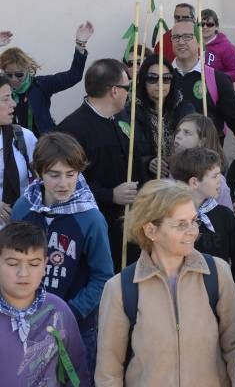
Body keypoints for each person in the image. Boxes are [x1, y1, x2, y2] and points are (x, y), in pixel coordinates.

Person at [95, 179, 235, 387]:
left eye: (194, 221)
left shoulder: (218, 273)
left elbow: (234, 348)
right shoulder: (119, 289)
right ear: (151, 230)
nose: (193, 232)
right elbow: (108, 373)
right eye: (181, 224)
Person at [11, 132, 113, 387]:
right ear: (38, 172)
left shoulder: (90, 219)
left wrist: (69, 313)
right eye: (54, 174)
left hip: (75, 326)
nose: (64, 183)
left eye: (71, 174)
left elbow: (103, 277)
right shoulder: (23, 209)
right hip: (26, 324)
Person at [0, 221, 90, 387]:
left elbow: (76, 377)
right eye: (12, 263)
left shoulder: (59, 313)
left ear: (45, 265)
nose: (23, 273)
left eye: (34, 263)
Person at [58, 59, 142, 272]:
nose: (128, 93)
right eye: (127, 87)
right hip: (95, 228)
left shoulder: (122, 116)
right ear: (114, 91)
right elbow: (64, 183)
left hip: (130, 222)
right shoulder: (71, 130)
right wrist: (110, 194)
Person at [169, 147, 235, 299]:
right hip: (179, 297)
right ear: (194, 182)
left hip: (217, 296)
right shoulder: (170, 217)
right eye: (215, 176)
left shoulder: (224, 216)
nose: (221, 180)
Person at [0, 22, 93, 136]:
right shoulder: (2, 88)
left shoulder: (40, 85)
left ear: (27, 70)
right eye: (9, 75)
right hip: (13, 145)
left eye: (19, 74)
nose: (14, 79)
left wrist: (80, 44)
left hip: (43, 144)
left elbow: (73, 76)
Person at [169, 20, 235, 144]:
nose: (180, 42)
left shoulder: (218, 79)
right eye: (176, 37)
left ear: (199, 41)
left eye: (187, 36)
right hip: (171, 158)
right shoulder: (163, 78)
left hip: (208, 159)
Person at [129, 54, 195, 181]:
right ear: (143, 81)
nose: (160, 84)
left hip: (181, 180)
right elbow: (125, 154)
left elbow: (196, 144)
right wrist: (148, 162)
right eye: (152, 78)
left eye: (166, 78)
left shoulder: (184, 108)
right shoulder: (131, 112)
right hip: (147, 185)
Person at [172, 114, 233, 210]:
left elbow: (227, 219)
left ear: (202, 141)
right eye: (178, 131)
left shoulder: (217, 181)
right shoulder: (172, 172)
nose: (178, 136)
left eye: (187, 133)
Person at [0, 74, 36, 228]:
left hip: (22, 231)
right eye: (6, 98)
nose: (13, 103)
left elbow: (47, 177)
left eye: (11, 97)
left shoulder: (22, 136)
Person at [200, 9, 235, 82]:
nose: (205, 27)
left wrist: (216, 77)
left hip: (219, 91)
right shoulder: (193, 44)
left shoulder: (227, 47)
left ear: (216, 27)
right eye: (202, 24)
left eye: (209, 24)